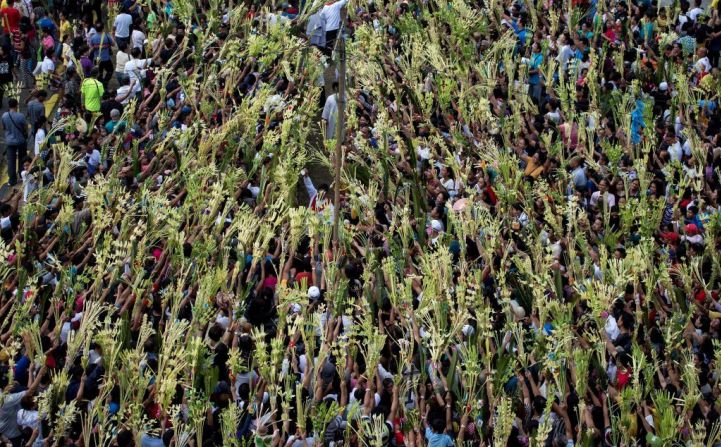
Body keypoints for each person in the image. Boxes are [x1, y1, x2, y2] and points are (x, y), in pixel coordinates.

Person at [1, 98, 27, 186]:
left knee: (11, 161)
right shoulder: (21, 116)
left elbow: (3, 127)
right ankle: (22, 175)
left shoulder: (4, 116)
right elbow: (25, 128)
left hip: (9, 142)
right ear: (17, 105)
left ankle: (12, 180)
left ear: (9, 106)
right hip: (20, 141)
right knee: (22, 158)